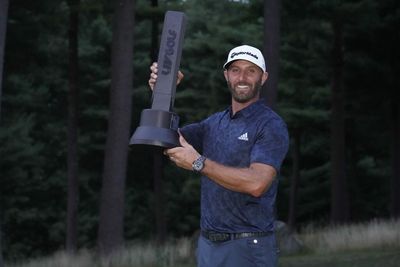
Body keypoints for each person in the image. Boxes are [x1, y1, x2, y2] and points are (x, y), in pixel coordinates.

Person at [148, 45, 289, 267]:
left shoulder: (270, 125)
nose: (242, 77)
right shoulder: (214, 124)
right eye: (235, 70)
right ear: (226, 75)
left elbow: (257, 183)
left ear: (263, 77)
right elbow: (164, 140)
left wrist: (198, 162)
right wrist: (163, 94)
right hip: (208, 246)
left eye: (251, 71)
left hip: (248, 247)